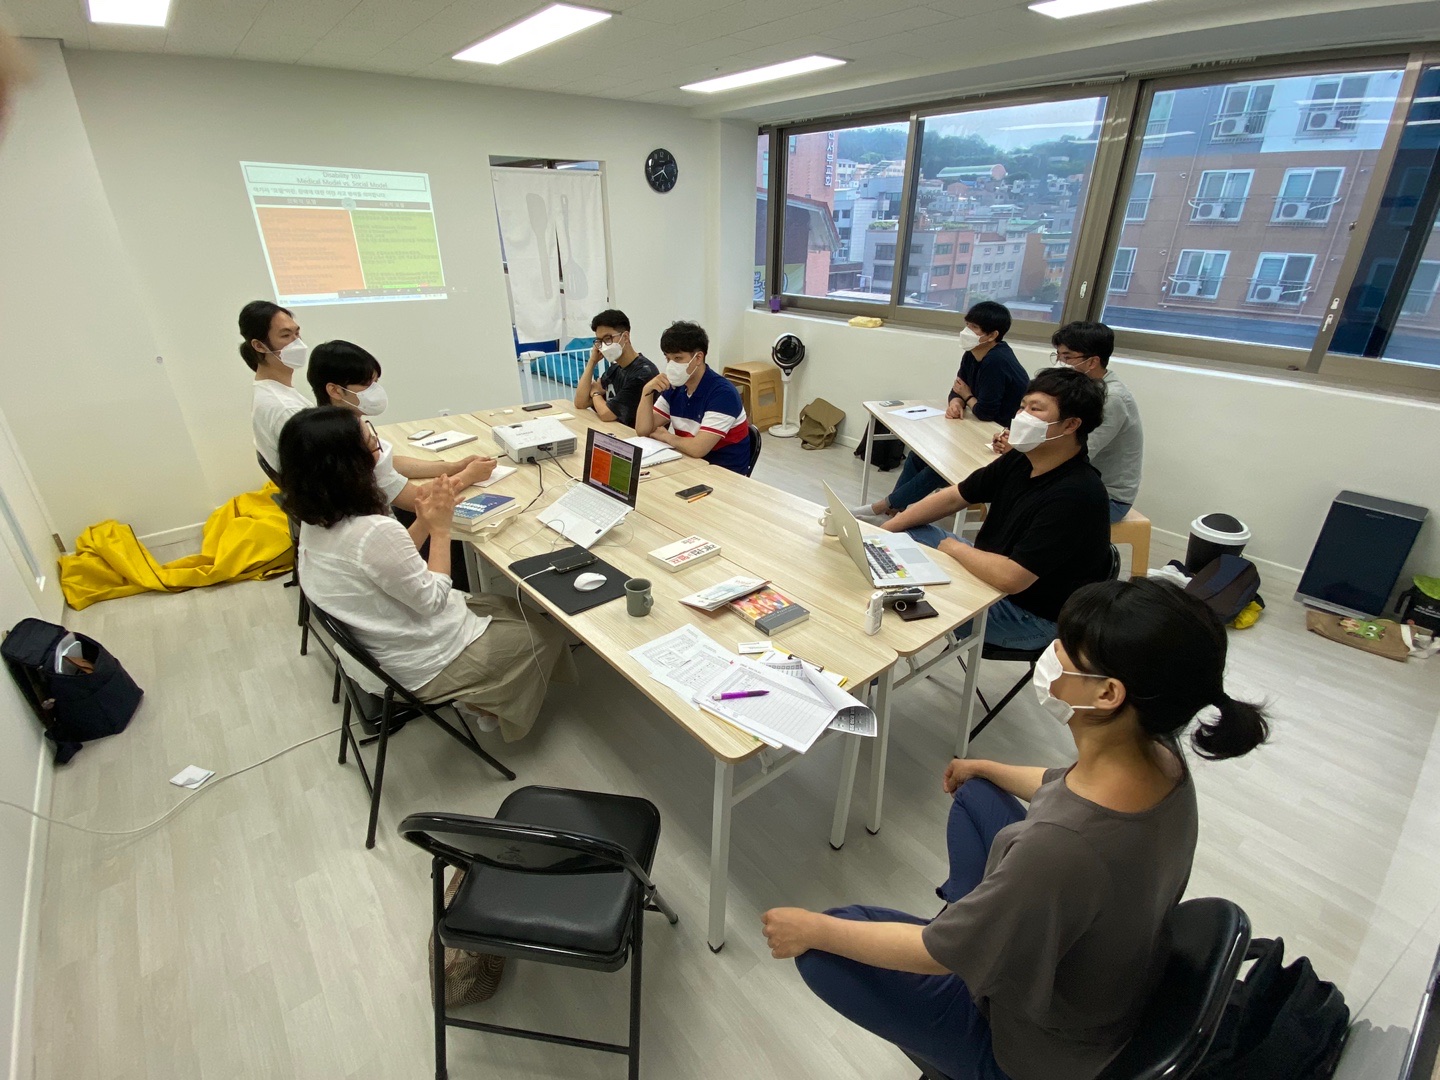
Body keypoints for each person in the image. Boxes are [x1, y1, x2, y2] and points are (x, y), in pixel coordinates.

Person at [762, 577, 1269, 1080]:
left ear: (1108, 693)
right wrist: (984, 767)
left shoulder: (1060, 850)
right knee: (976, 793)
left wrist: (811, 928)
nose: (1053, 653)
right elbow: (1062, 786)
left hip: (1035, 1048)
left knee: (824, 947)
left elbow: (933, 954)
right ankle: (986, 921)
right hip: (1105, 965)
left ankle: (977, 952)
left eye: (1067, 648)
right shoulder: (1160, 759)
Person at [279, 407, 575, 742]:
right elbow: (432, 600)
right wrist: (441, 530)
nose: (379, 447)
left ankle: (489, 695)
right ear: (347, 462)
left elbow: (384, 562)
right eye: (372, 443)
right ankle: (486, 705)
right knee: (545, 636)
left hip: (376, 650)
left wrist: (423, 521)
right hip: (415, 666)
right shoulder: (370, 530)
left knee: (512, 609)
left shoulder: (318, 519)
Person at [881, 367, 1111, 650]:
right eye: (1022, 406)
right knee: (902, 538)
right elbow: (955, 496)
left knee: (899, 597)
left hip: (1031, 615)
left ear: (1071, 425)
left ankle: (869, 663)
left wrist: (955, 548)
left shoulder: (1077, 494)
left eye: (1035, 409)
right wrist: (882, 531)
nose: (1022, 416)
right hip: (988, 570)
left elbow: (1012, 578)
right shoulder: (1022, 459)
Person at [856, 302, 1028, 523]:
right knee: (918, 456)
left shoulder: (997, 361)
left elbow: (985, 411)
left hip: (999, 438)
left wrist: (966, 395)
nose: (966, 331)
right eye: (967, 325)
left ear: (992, 335)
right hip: (978, 428)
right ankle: (894, 510)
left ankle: (884, 507)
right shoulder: (972, 353)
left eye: (974, 328)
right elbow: (957, 388)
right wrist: (957, 401)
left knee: (938, 468)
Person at [306, 339, 497, 507]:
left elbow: (387, 463)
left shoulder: (336, 425)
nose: (375, 390)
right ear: (335, 391)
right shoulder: (344, 443)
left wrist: (453, 467)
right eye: (367, 384)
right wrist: (469, 476)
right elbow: (417, 500)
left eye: (375, 382)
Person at [993, 322, 1143, 523]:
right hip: (1068, 480)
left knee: (1022, 507)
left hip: (1107, 496)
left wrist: (1020, 449)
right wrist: (1017, 438)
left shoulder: (1111, 399)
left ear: (1092, 362)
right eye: (1057, 356)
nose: (1059, 363)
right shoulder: (1074, 390)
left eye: (1067, 357)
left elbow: (1078, 453)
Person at [635, 320, 753, 474]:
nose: (671, 365)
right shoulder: (675, 386)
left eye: (678, 358)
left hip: (723, 473)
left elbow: (698, 448)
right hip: (688, 463)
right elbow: (643, 430)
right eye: (668, 359)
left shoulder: (723, 394)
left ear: (698, 358)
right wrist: (647, 391)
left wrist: (667, 437)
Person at [242, 300, 312, 477]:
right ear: (259, 346)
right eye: (286, 336)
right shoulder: (286, 409)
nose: (297, 343)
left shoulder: (271, 390)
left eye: (297, 333)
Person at [573, 309, 658, 427]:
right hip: (614, 432)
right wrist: (592, 361)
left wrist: (596, 393)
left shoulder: (643, 373)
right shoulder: (615, 369)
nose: (603, 346)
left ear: (625, 337)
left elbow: (607, 414)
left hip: (635, 435)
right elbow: (580, 402)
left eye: (608, 339)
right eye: (599, 341)